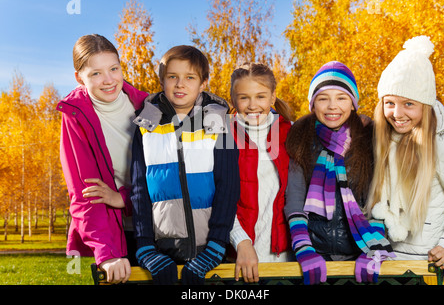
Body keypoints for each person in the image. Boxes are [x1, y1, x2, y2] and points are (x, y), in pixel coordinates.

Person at [130, 45, 240, 285]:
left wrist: (216, 245)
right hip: (160, 250)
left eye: (190, 77)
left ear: (203, 83)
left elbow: (228, 187)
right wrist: (145, 247)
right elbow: (139, 190)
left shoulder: (218, 122)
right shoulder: (145, 125)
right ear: (162, 81)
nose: (180, 84)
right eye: (173, 77)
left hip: (208, 250)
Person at [284, 61, 395, 285]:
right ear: (313, 104)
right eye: (323, 98)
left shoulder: (370, 139)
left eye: (342, 98)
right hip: (315, 252)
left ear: (353, 103)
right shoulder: (301, 140)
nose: (332, 106)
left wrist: (371, 251)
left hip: (359, 251)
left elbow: (378, 199)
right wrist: (304, 249)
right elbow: (294, 199)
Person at [57, 34, 149, 284]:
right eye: (96, 73)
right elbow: (84, 194)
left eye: (113, 69)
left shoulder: (147, 106)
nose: (109, 80)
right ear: (79, 78)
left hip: (158, 225)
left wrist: (125, 198)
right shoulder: (76, 117)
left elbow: (170, 174)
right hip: (115, 233)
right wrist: (107, 254)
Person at [366, 36, 444, 269]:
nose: (397, 113)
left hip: (427, 260)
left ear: (425, 104)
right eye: (390, 103)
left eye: (408, 104)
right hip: (384, 257)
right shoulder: (381, 136)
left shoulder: (441, 142)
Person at [226, 63, 294, 283]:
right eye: (244, 97)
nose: (253, 105)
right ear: (233, 100)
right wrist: (241, 242)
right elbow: (218, 198)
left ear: (272, 98)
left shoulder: (290, 131)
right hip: (238, 255)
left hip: (284, 257)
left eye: (261, 97)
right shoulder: (222, 134)